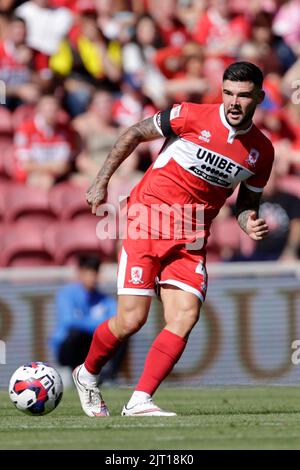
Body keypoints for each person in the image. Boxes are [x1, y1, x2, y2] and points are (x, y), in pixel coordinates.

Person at [73, 61, 274, 417]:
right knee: (130, 321)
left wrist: (248, 222)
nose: (233, 102)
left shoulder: (262, 152)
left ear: (258, 97)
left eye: (243, 96)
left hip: (192, 235)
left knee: (185, 315)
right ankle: (87, 374)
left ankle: (140, 400)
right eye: (228, 92)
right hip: (147, 219)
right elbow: (135, 132)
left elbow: (246, 203)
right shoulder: (190, 115)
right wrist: (101, 180)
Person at [51, 254, 127, 385]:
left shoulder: (104, 299)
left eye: (94, 272)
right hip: (69, 348)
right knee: (75, 334)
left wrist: (86, 322)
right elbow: (68, 321)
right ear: (80, 273)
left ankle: (109, 377)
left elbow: (119, 322)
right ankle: (71, 373)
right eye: (88, 272)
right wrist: (98, 324)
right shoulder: (66, 294)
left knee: (122, 334)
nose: (92, 277)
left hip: (93, 346)